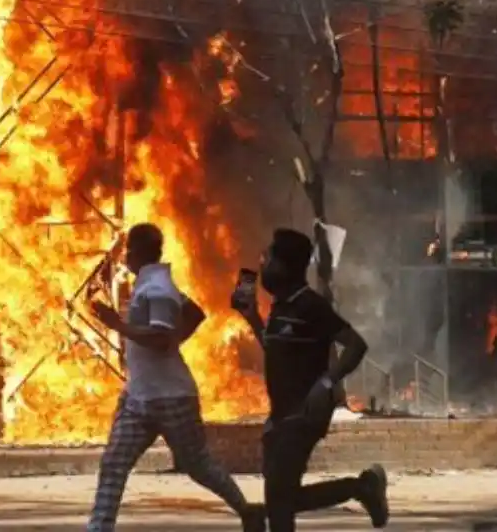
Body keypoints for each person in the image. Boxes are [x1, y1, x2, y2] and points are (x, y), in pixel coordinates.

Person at [88, 222, 265, 532]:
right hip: (139, 396)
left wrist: (118, 325)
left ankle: (247, 510)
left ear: (139, 252)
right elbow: (194, 313)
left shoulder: (157, 290)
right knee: (114, 464)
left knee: (198, 465)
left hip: (171, 398)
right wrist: (174, 342)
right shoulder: (154, 283)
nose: (124, 256)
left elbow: (159, 337)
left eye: (128, 249)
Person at [232, 228, 389, 531]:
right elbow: (278, 350)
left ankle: (361, 488)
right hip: (282, 413)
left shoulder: (310, 306)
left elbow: (356, 344)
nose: (262, 265)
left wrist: (328, 383)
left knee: (279, 503)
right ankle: (362, 488)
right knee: (282, 498)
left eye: (269, 259)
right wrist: (252, 318)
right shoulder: (280, 306)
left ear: (286, 266)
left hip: (304, 413)